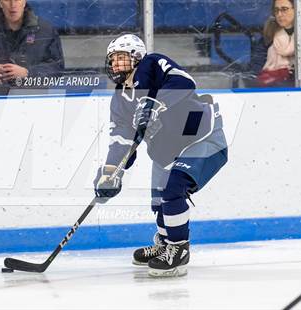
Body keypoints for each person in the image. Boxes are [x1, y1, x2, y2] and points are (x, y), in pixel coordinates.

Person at [93, 34, 228, 277]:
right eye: (112, 60)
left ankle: (179, 250)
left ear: (136, 57)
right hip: (168, 149)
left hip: (201, 138)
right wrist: (111, 173)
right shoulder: (120, 99)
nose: (114, 64)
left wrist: (154, 104)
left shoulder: (153, 64)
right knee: (159, 200)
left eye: (120, 58)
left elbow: (184, 82)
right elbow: (121, 140)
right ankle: (165, 244)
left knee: (173, 188)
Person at [0, 0, 64, 95]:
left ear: (24, 1)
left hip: (33, 101)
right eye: (7, 0)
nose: (13, 5)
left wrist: (28, 73)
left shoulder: (45, 31)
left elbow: (57, 68)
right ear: (0, 2)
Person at [257, 0, 301, 87]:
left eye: (284, 9)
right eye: (276, 10)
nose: (279, 14)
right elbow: (256, 69)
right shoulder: (267, 37)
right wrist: (280, 74)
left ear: (297, 10)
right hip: (273, 91)